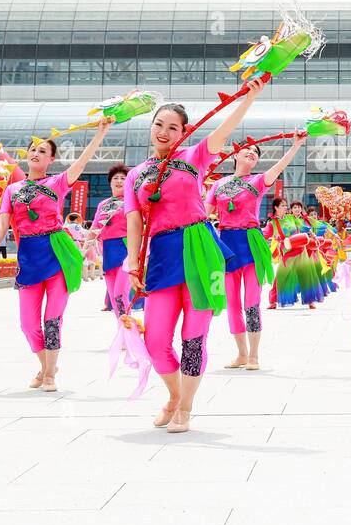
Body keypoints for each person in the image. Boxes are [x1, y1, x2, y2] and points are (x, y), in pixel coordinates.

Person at [124, 78, 268, 434]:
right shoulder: (136, 175)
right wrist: (132, 263)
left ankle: (185, 407)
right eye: (159, 124)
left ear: (183, 132)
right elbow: (134, 222)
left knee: (193, 336)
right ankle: (174, 395)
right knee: (155, 340)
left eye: (173, 127)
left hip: (200, 248)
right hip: (161, 255)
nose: (164, 131)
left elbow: (225, 129)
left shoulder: (194, 158)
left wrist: (249, 98)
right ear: (151, 126)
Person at [0, 118, 113, 391]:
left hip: (56, 254)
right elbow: (3, 221)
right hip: (28, 258)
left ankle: (50, 376)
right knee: (28, 324)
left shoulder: (57, 183)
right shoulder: (12, 190)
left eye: (43, 151)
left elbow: (81, 164)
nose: (35, 153)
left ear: (51, 159)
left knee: (52, 320)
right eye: (33, 149)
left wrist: (100, 134)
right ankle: (47, 366)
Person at [208, 134, 306, 370]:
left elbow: (281, 166)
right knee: (232, 303)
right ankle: (241, 354)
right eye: (247, 149)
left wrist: (296, 145)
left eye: (256, 152)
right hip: (226, 243)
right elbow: (203, 213)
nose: (252, 152)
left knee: (251, 302)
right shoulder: (218, 185)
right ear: (236, 155)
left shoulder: (259, 180)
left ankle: (254, 355)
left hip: (251, 242)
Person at [88, 165, 132, 320]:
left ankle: (129, 332)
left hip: (126, 250)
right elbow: (94, 228)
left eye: (123, 178)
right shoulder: (103, 204)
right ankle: (123, 331)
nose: (119, 181)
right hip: (108, 251)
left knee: (121, 293)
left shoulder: (133, 201)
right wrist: (85, 249)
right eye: (116, 178)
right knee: (114, 297)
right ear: (110, 182)